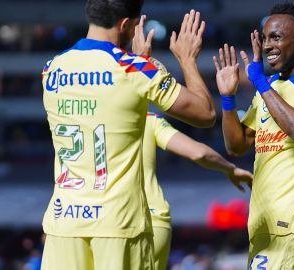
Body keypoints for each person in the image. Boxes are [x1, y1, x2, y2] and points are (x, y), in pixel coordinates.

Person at [40, 0, 216, 268]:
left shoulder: (52, 69)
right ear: (125, 24)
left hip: (64, 223)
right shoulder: (135, 68)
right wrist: (187, 59)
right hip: (119, 224)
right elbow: (205, 114)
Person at [213, 2, 294, 269]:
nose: (266, 45)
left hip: (293, 222)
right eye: (264, 38)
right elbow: (236, 146)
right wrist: (228, 99)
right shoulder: (271, 87)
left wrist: (259, 83)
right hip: (263, 223)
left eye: (276, 37)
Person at [143, 112, 253, 270]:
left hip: (102, 217)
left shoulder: (94, 117)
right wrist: (230, 169)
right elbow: (199, 153)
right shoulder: (149, 119)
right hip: (151, 219)